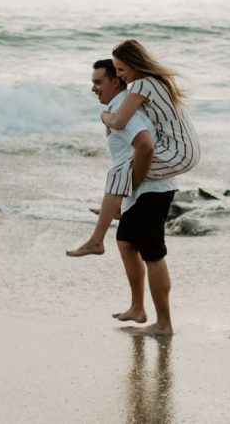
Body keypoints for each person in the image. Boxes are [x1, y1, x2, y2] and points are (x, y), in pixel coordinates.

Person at [67, 59, 177, 335]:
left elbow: (145, 146)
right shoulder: (120, 109)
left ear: (116, 81)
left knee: (153, 254)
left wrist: (134, 185)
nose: (93, 88)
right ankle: (138, 309)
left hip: (150, 191)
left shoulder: (124, 110)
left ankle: (164, 324)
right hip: (141, 192)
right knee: (126, 242)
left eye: (98, 82)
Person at [100, 40, 200, 186]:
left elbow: (118, 122)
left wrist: (103, 116)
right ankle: (118, 206)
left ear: (134, 65)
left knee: (122, 171)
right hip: (189, 150)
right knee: (129, 166)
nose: (117, 75)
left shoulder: (143, 85)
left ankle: (112, 208)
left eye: (121, 70)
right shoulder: (159, 80)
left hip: (177, 154)